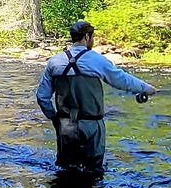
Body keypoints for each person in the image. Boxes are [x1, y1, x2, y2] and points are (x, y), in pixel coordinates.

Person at [34, 20, 155, 170]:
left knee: (65, 171)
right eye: (92, 37)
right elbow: (121, 80)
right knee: (93, 172)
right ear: (86, 37)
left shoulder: (54, 61)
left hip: (66, 126)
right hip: (92, 126)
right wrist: (144, 88)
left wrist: (54, 118)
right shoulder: (97, 60)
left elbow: (42, 97)